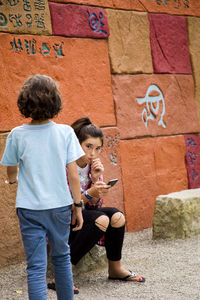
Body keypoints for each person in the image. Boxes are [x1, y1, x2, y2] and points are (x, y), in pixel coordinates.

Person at [1, 74, 85, 300]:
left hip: (29, 209)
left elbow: (10, 168)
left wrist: (13, 179)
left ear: (24, 102)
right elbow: (74, 175)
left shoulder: (17, 135)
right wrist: (77, 206)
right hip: (59, 206)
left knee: (36, 267)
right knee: (61, 258)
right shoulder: (65, 132)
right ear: (56, 102)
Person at [48, 117, 145, 294]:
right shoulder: (65, 166)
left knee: (117, 217)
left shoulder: (92, 166)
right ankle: (62, 275)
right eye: (88, 146)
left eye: (98, 148)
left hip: (81, 219)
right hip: (62, 220)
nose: (93, 153)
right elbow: (62, 207)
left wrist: (94, 181)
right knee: (101, 219)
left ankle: (115, 268)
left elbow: (93, 208)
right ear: (77, 144)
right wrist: (88, 193)